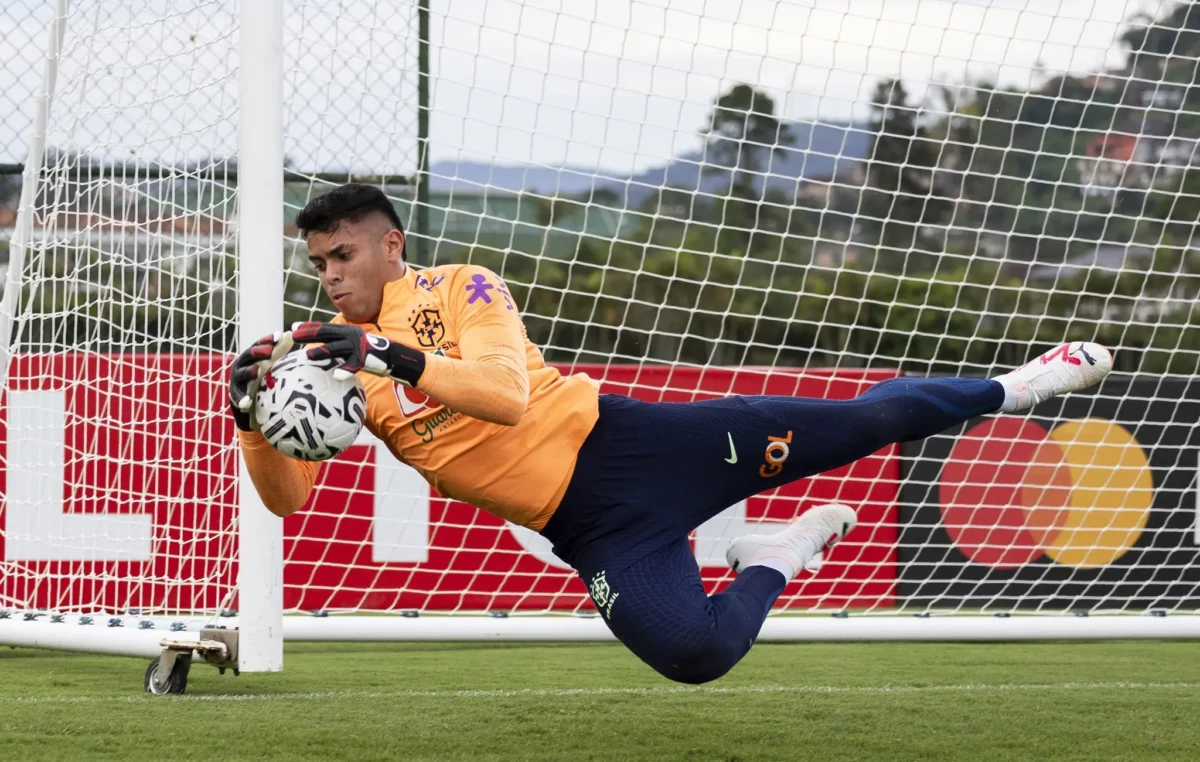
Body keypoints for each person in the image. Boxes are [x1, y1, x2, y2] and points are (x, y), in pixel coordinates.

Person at [229, 183, 1113, 684]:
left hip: (636, 444)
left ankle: (1015, 385)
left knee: (862, 421)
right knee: (696, 656)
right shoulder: (328, 364)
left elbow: (501, 395)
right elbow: (288, 504)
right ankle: (779, 554)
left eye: (343, 256)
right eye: (318, 265)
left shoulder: (464, 287)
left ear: (392, 244)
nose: (331, 277)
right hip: (593, 529)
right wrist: (255, 426)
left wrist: (385, 352)